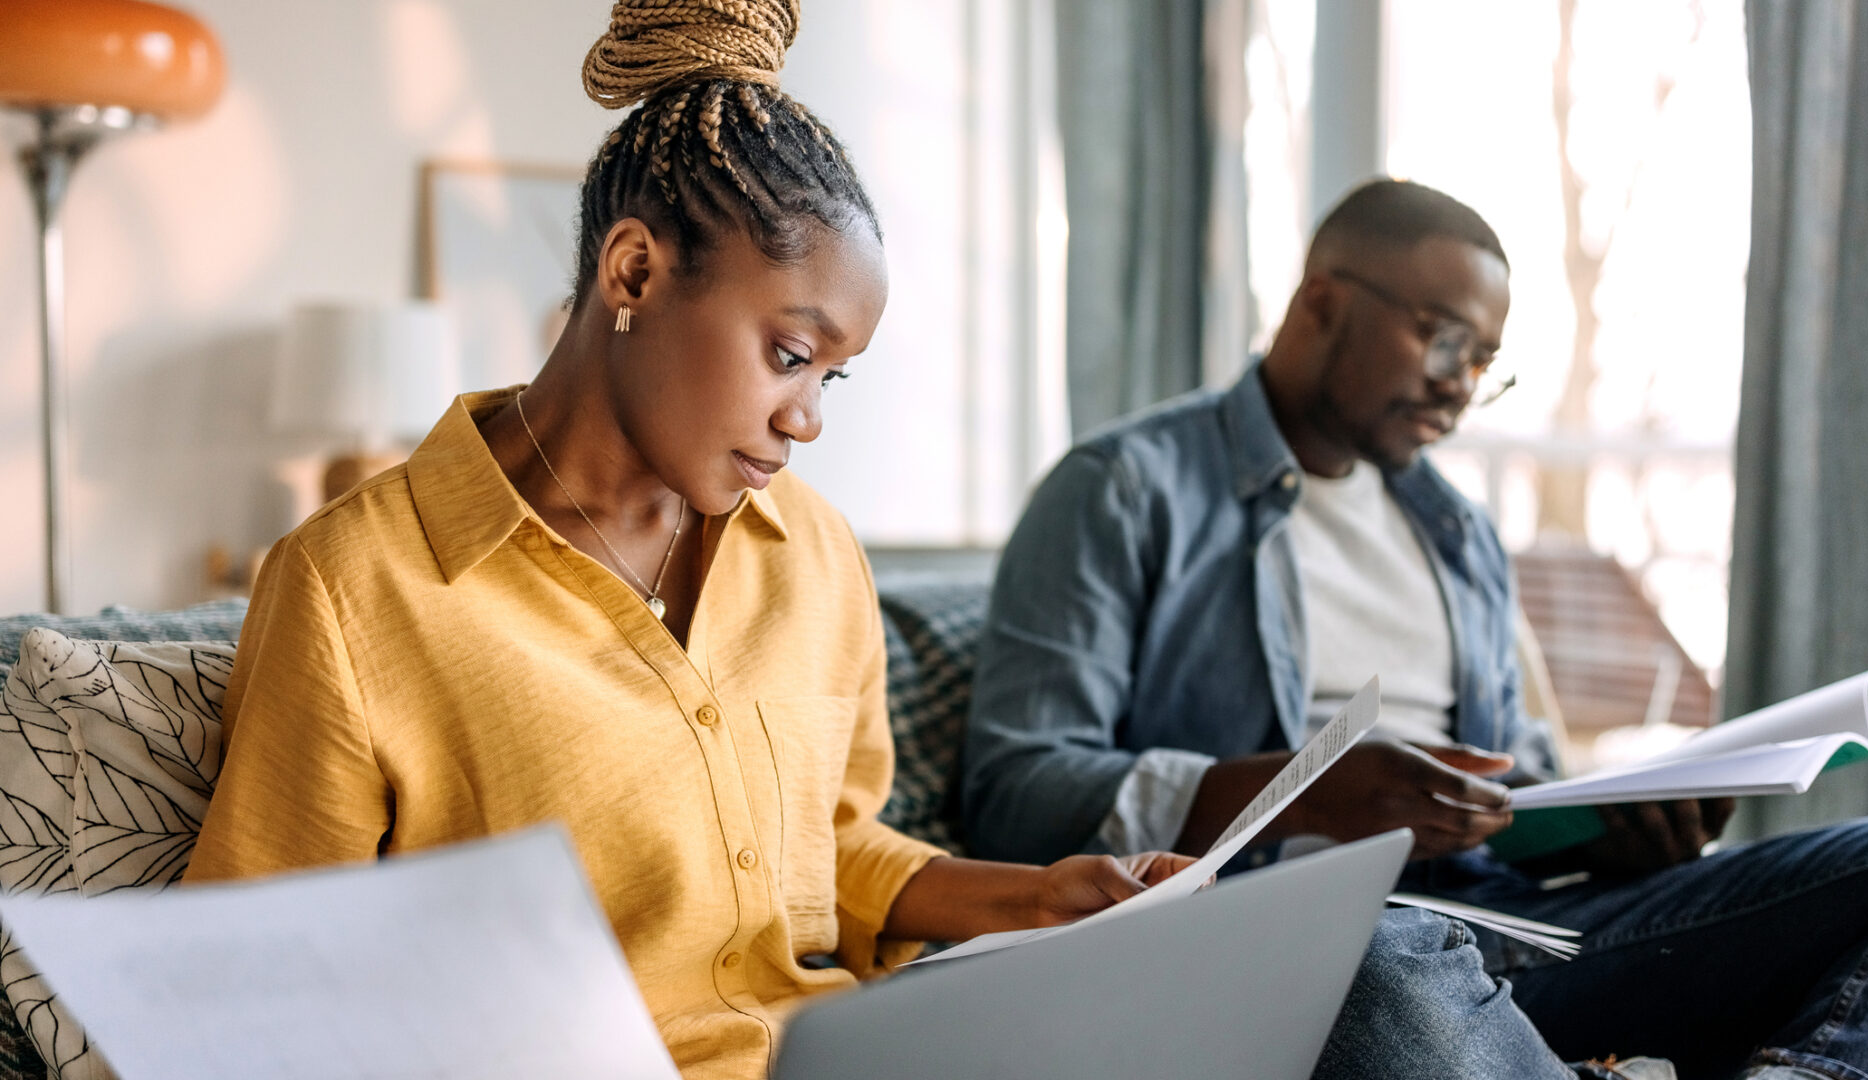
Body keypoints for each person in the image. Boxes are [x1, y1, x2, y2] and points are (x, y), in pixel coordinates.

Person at [182, 5, 1200, 1078]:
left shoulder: (810, 551)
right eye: (790, 352)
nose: (807, 417)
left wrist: (1039, 895)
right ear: (633, 274)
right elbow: (256, 977)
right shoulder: (359, 588)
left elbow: (829, 852)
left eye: (830, 376)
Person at [963, 177, 1868, 1080]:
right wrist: (1305, 796)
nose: (1463, 386)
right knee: (1368, 959)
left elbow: (1512, 779)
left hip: (1506, 922)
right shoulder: (1123, 490)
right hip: (1290, 928)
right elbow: (1015, 792)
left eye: (1486, 366)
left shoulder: (1457, 533)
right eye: (1444, 340)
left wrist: (1602, 832)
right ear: (1323, 303)